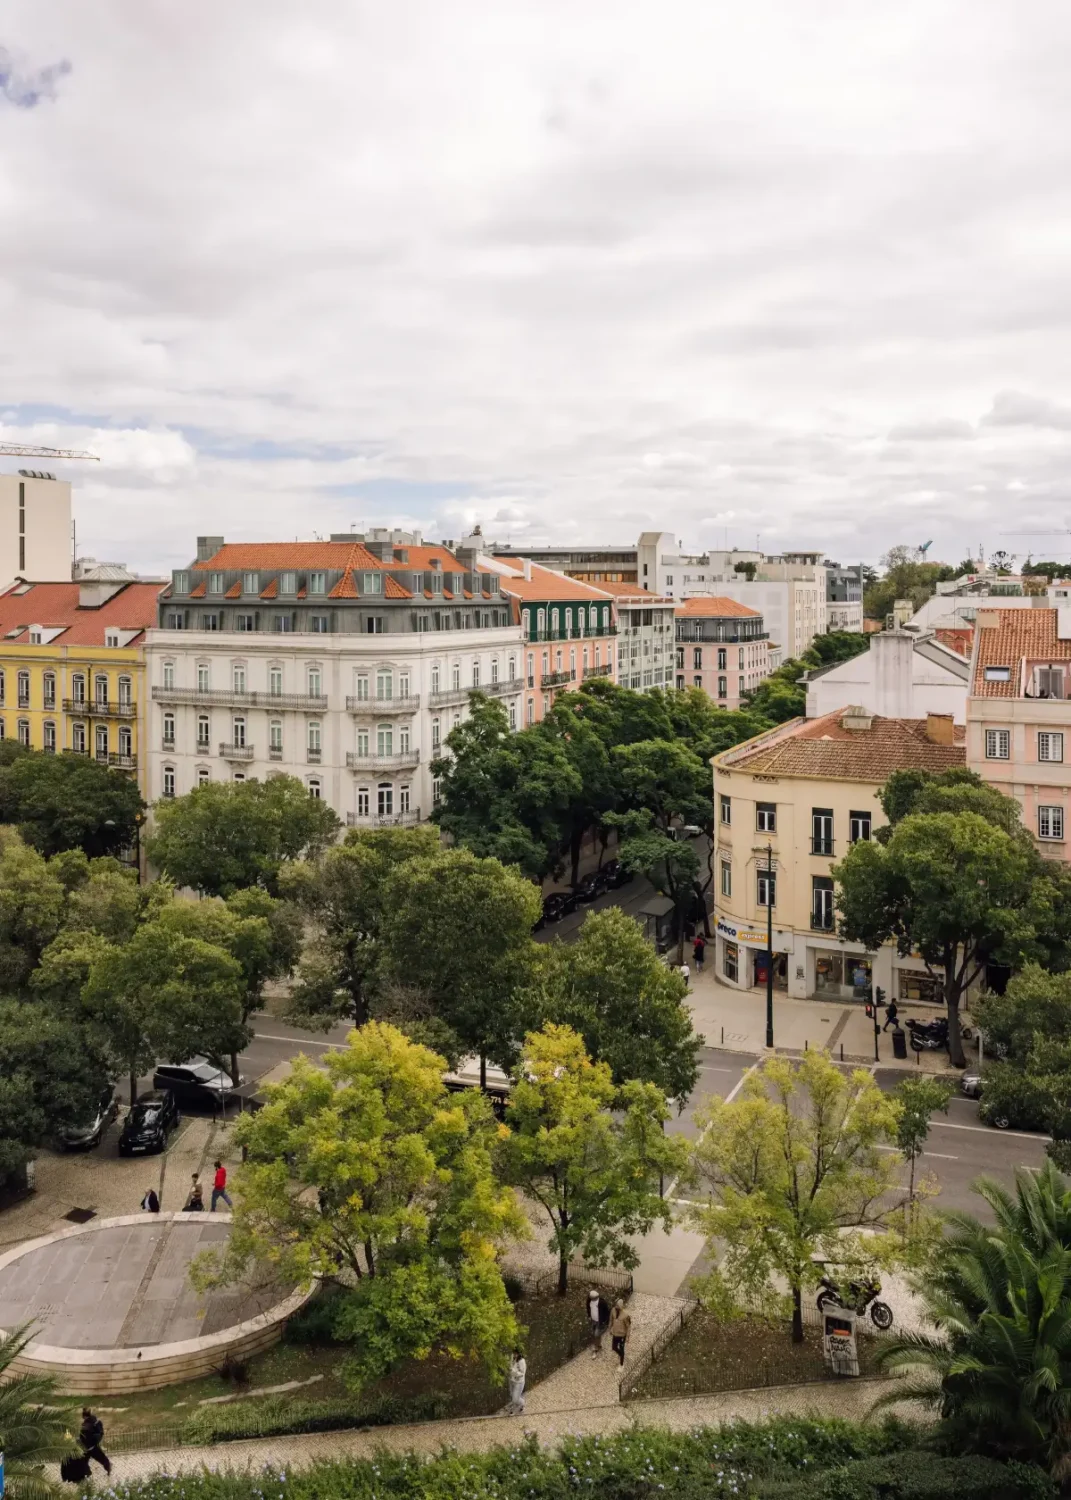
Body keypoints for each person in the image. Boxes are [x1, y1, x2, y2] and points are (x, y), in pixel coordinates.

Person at [79, 1408, 111, 1474]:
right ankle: (108, 1468)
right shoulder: (94, 1420)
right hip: (93, 1445)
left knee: (83, 1461)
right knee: (102, 1458)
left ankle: (88, 1473)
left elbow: (83, 1436)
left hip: (88, 1446)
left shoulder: (86, 1425)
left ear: (84, 1416)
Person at [608, 1300, 632, 1367]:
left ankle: (621, 1364)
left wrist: (627, 1337)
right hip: (615, 1334)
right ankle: (621, 1354)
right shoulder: (613, 1310)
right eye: (616, 1305)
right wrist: (610, 1329)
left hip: (622, 1335)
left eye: (618, 1306)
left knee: (622, 1348)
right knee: (614, 1347)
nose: (616, 1307)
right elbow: (611, 1320)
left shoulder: (625, 1315)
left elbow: (628, 1326)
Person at [507, 1348, 527, 1414]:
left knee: (515, 1398)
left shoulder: (522, 1361)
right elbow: (510, 1365)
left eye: (516, 1353)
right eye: (514, 1353)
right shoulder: (512, 1357)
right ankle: (512, 1408)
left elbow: (522, 1373)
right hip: (511, 1380)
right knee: (512, 1395)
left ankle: (522, 1403)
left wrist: (513, 1372)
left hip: (519, 1382)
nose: (514, 1355)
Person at [587, 1286, 602, 1356]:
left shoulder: (601, 1303)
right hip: (593, 1320)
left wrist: (604, 1320)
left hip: (599, 1321)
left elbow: (606, 1312)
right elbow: (588, 1307)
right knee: (595, 1334)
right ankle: (598, 1344)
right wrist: (589, 1316)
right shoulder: (589, 1301)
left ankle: (595, 1349)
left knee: (596, 1334)